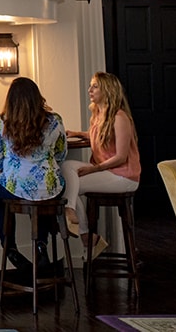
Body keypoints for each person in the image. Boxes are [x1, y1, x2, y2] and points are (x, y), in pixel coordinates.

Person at [0, 76, 67, 273]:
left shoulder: (1, 122)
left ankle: (11, 248)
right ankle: (41, 244)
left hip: (15, 185)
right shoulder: (54, 121)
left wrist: (9, 169)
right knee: (42, 200)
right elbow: (61, 153)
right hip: (51, 187)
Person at [62, 72, 141, 258]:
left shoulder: (119, 117)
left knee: (68, 185)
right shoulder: (98, 115)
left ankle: (80, 227)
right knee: (67, 169)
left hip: (123, 176)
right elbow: (97, 135)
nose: (90, 90)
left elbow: (121, 157)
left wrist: (93, 169)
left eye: (95, 86)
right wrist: (78, 133)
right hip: (109, 173)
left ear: (107, 90)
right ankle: (85, 233)